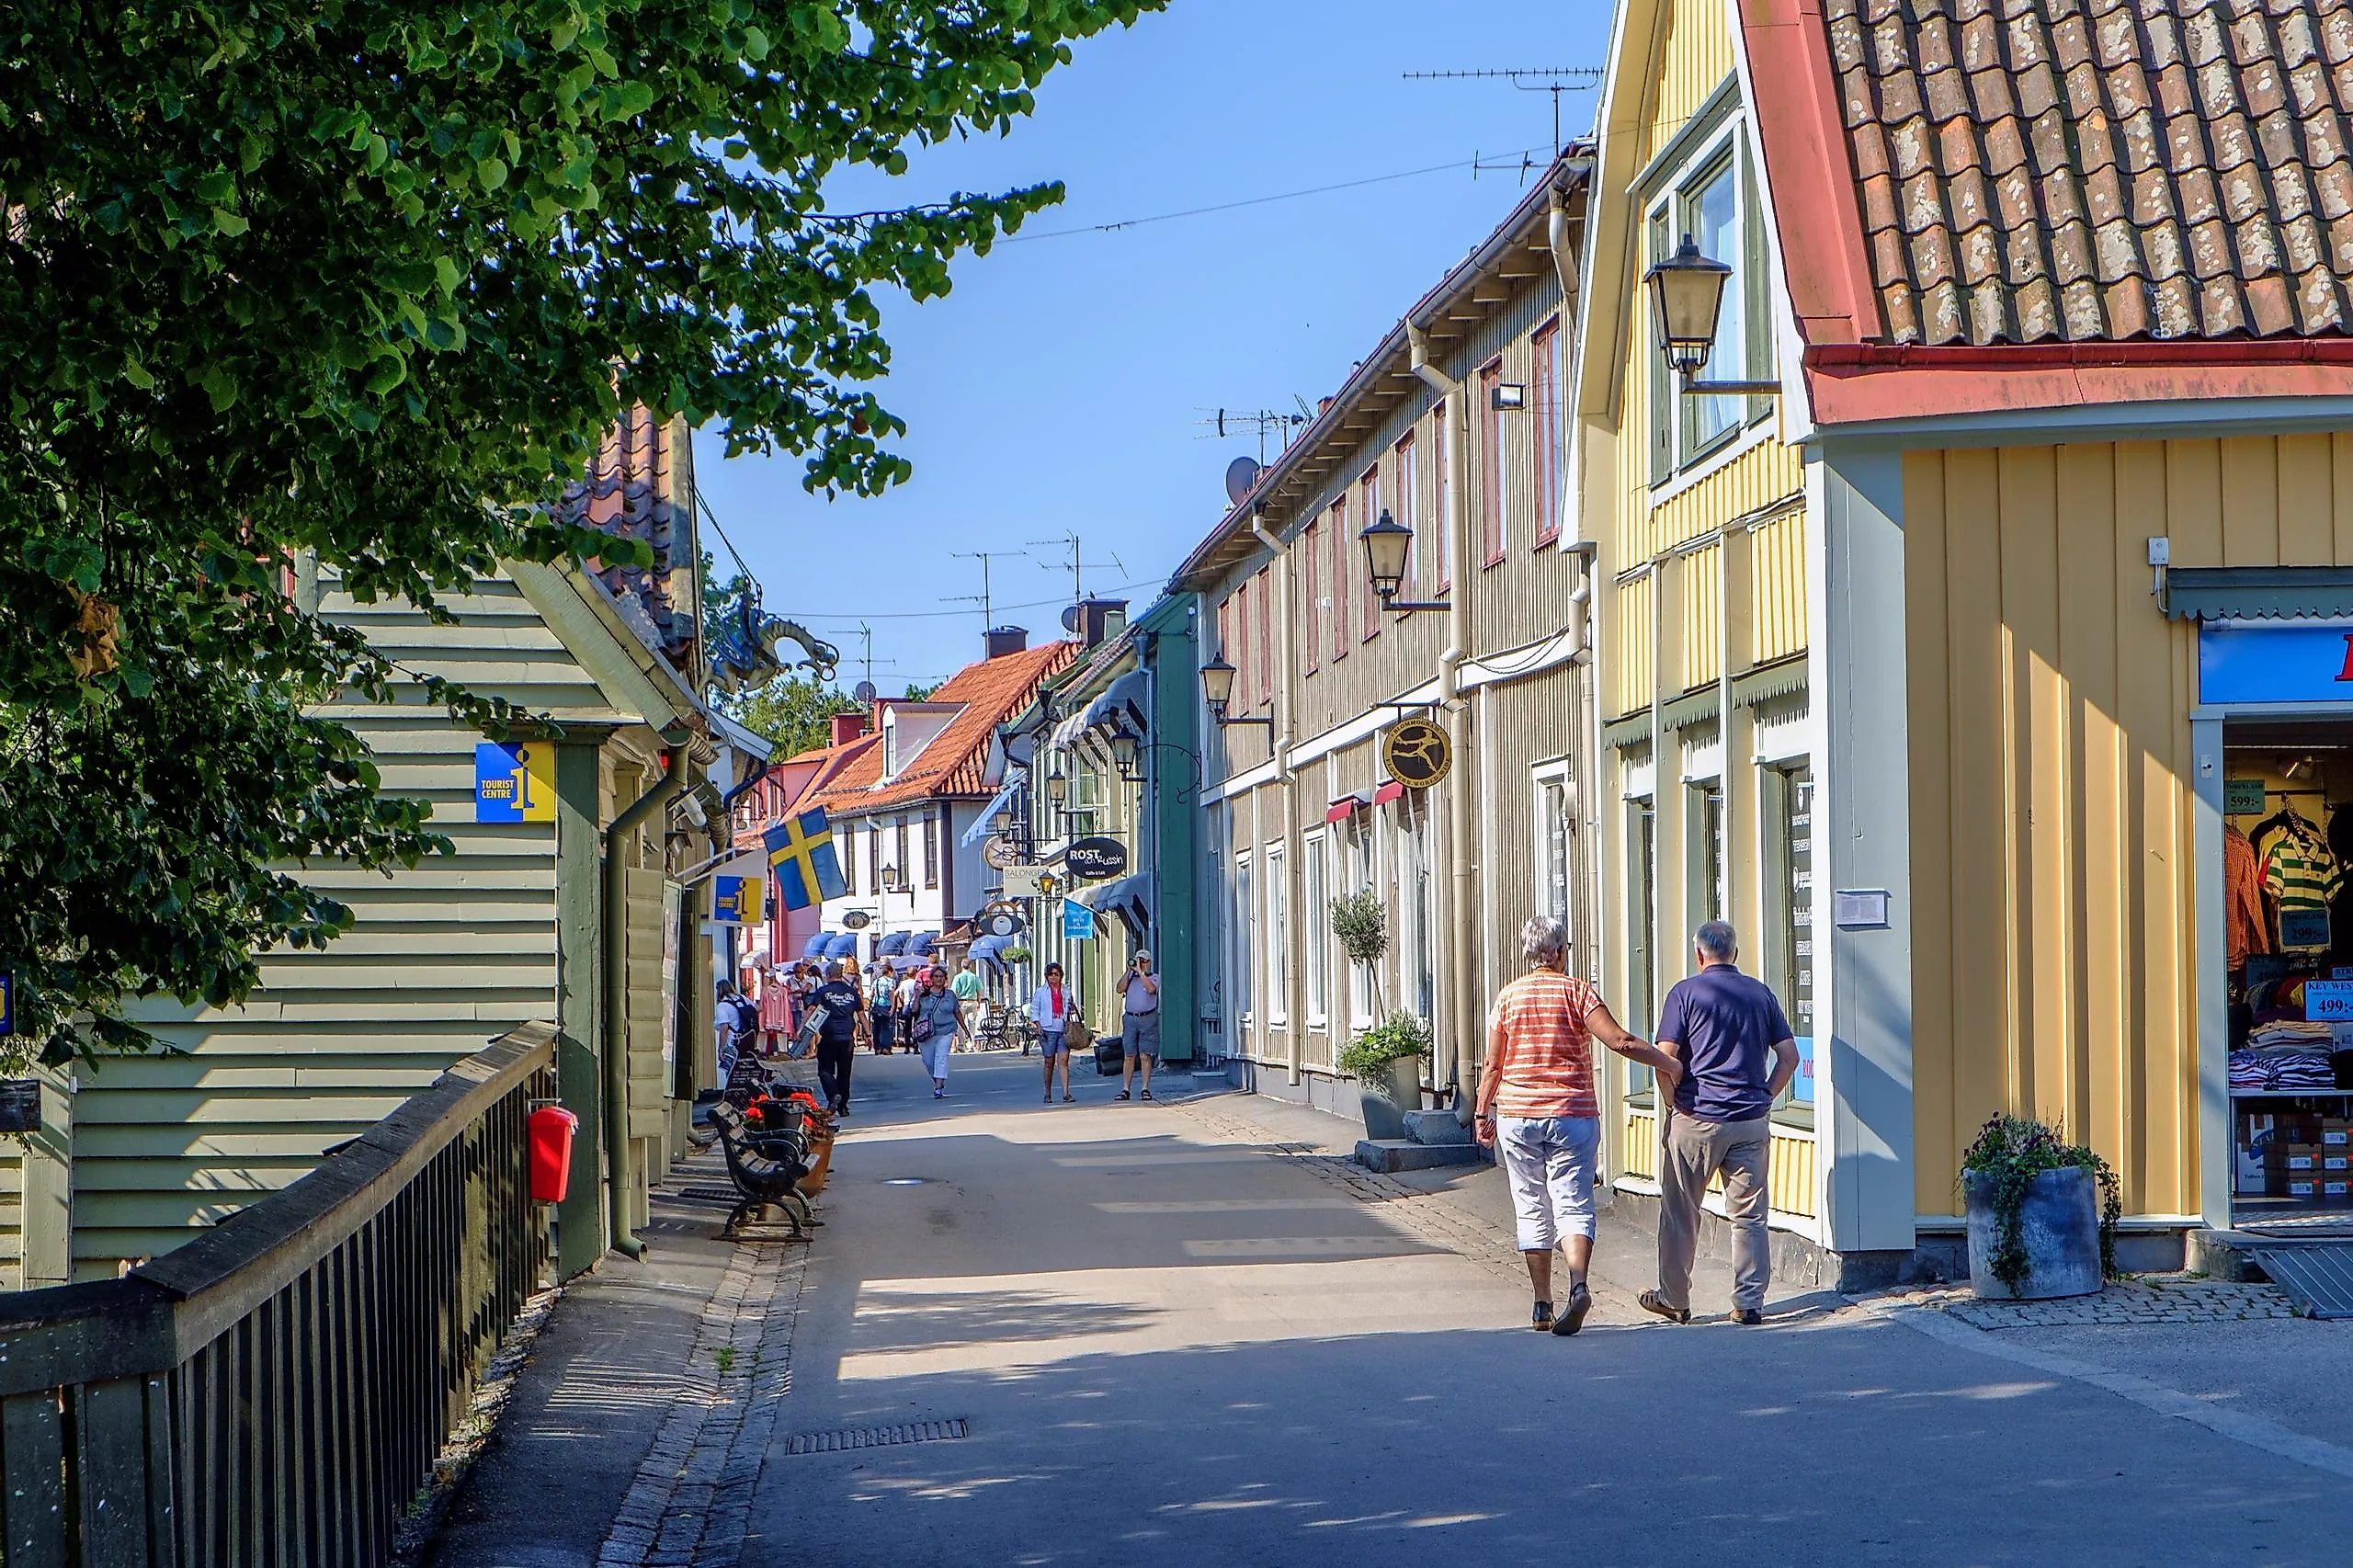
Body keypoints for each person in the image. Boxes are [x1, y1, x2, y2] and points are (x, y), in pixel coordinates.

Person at [1474, 915, 1683, 1336]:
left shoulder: (1507, 999)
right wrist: (1669, 1062)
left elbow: (1494, 1063)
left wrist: (1483, 1112)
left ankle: (1540, 1304)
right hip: (1572, 1113)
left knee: (1531, 1203)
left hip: (1517, 1115)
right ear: (1560, 952)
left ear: (1530, 954)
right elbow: (1619, 1041)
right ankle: (1579, 1285)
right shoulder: (1578, 993)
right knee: (1572, 1200)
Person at [1644, 919, 1800, 1328]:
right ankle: (1749, 1302)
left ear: (1699, 955)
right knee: (1749, 1215)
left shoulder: (1686, 994)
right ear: (1736, 953)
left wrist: (1671, 1102)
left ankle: (1674, 1299)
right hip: (1749, 1119)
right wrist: (1766, 1095)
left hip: (1696, 1116)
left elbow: (1666, 1058)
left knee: (1681, 1211)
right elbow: (1789, 1057)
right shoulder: (1760, 994)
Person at [808, 959, 867, 1116]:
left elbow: (811, 1010)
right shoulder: (851, 992)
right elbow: (861, 1015)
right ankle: (843, 1106)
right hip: (847, 1038)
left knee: (825, 1070)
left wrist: (801, 1030)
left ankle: (833, 1094)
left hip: (829, 1036)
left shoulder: (823, 991)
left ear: (828, 975)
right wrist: (868, 1035)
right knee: (844, 1072)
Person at [911, 966, 962, 1099]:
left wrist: (965, 1030)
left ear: (945, 979)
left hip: (946, 1030)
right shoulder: (924, 994)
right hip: (926, 1032)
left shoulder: (950, 994)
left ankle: (938, 1087)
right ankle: (938, 1079)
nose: (939, 979)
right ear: (932, 979)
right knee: (928, 1061)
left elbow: (957, 1012)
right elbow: (914, 1010)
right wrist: (917, 995)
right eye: (936, 976)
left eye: (941, 977)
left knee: (941, 1057)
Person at [1115, 949, 1159, 1101]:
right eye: (1138, 960)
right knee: (1129, 1055)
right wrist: (1129, 971)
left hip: (1148, 1018)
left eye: (1144, 961)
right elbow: (1119, 989)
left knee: (1145, 1055)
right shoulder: (1131, 978)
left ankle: (1145, 1088)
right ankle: (1125, 1089)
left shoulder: (1154, 977)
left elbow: (1151, 989)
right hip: (1131, 1018)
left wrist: (1141, 972)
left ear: (1148, 963)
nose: (1141, 963)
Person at [1032, 962, 1075, 1104]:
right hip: (1047, 1029)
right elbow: (1035, 1010)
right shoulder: (1041, 992)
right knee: (1049, 1062)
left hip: (1063, 1030)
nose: (1053, 977)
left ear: (1061, 975)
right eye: (1051, 974)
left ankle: (1066, 1093)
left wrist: (1071, 1008)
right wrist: (1037, 1025)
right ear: (1046, 976)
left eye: (1056, 974)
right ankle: (1047, 1092)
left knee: (1063, 1061)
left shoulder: (1066, 990)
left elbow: (1070, 1008)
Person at [951, 959, 984, 1048]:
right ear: (970, 966)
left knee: (960, 1024)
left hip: (961, 1002)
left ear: (961, 966)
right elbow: (980, 990)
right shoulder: (974, 977)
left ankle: (961, 1045)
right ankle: (971, 1044)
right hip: (972, 1001)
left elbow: (953, 992)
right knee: (972, 1024)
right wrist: (979, 1001)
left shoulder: (957, 977)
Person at [867, 960, 897, 1054]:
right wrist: (893, 1007)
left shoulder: (876, 981)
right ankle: (886, 1047)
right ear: (889, 972)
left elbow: (871, 994)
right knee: (886, 1027)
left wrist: (870, 1005)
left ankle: (877, 1047)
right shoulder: (890, 981)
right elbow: (891, 993)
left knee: (876, 1026)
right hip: (886, 1005)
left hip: (876, 1006)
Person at [892, 965, 922, 1054]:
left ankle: (907, 1047)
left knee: (907, 1027)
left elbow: (898, 993)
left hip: (906, 1005)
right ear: (915, 973)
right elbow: (920, 993)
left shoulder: (903, 983)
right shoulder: (917, 983)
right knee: (917, 1027)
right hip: (916, 1005)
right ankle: (916, 1047)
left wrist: (902, 1000)